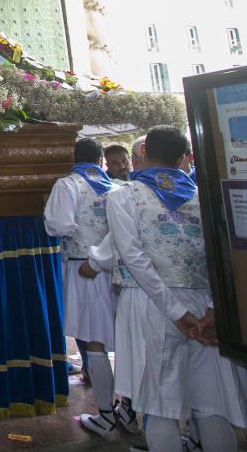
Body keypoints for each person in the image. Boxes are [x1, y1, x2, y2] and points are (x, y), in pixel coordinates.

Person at [93, 125, 247, 451]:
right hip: (204, 305)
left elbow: (134, 257)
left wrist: (176, 312)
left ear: (144, 153)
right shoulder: (204, 194)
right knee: (211, 403)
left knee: (159, 405)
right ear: (183, 158)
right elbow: (224, 254)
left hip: (149, 302)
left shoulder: (123, 195)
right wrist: (214, 308)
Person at [44, 138, 133, 439]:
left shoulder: (67, 185)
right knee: (125, 340)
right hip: (120, 269)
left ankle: (106, 415)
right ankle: (129, 412)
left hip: (84, 267)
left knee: (94, 343)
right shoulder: (118, 187)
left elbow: (58, 225)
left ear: (74, 157)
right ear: (100, 160)